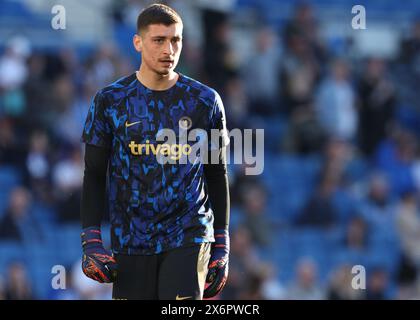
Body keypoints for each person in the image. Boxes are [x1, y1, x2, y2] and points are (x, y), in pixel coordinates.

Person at [79, 3, 230, 300]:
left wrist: (222, 243)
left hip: (188, 234)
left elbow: (217, 172)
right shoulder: (110, 101)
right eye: (158, 40)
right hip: (130, 239)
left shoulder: (205, 101)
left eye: (175, 40)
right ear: (138, 42)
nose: (168, 50)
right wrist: (91, 239)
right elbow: (94, 173)